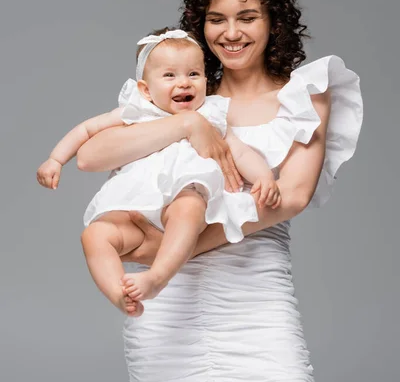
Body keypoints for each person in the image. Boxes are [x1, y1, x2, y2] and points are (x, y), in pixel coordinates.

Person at [75, 0, 363, 382]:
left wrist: (166, 250)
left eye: (247, 16)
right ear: (199, 23)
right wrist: (186, 127)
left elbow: (292, 197)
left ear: (274, 19)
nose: (230, 33)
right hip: (164, 305)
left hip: (253, 296)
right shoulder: (181, 89)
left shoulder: (305, 93)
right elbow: (91, 156)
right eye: (216, 19)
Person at [37, 27, 281, 317]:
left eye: (193, 74)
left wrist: (264, 176)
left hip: (179, 198)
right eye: (169, 75)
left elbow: (237, 152)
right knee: (94, 235)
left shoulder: (210, 116)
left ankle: (157, 277)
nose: (183, 83)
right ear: (145, 89)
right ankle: (119, 292)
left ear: (205, 79)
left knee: (189, 207)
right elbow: (88, 129)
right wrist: (55, 159)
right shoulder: (137, 112)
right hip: (132, 209)